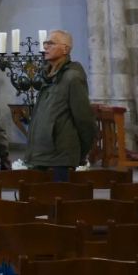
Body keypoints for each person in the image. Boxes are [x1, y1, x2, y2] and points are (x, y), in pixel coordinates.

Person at [25, 30, 94, 182]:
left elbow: (84, 120)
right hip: (41, 155)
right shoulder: (48, 77)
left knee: (59, 196)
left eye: (51, 43)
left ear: (65, 49)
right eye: (45, 43)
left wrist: (79, 153)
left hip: (60, 158)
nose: (45, 47)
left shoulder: (72, 77)